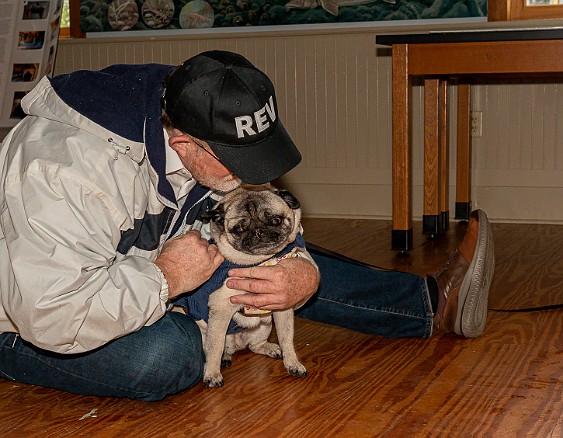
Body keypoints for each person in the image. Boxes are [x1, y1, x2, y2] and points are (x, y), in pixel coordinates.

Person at [0, 50, 494, 401]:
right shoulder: (62, 170)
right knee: (168, 358)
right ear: (184, 146)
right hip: (32, 315)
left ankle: (431, 305)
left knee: (260, 254)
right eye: (240, 163)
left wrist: (302, 271)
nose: (257, 174)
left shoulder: (197, 105)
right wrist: (166, 279)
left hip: (132, 274)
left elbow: (263, 226)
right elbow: (52, 311)